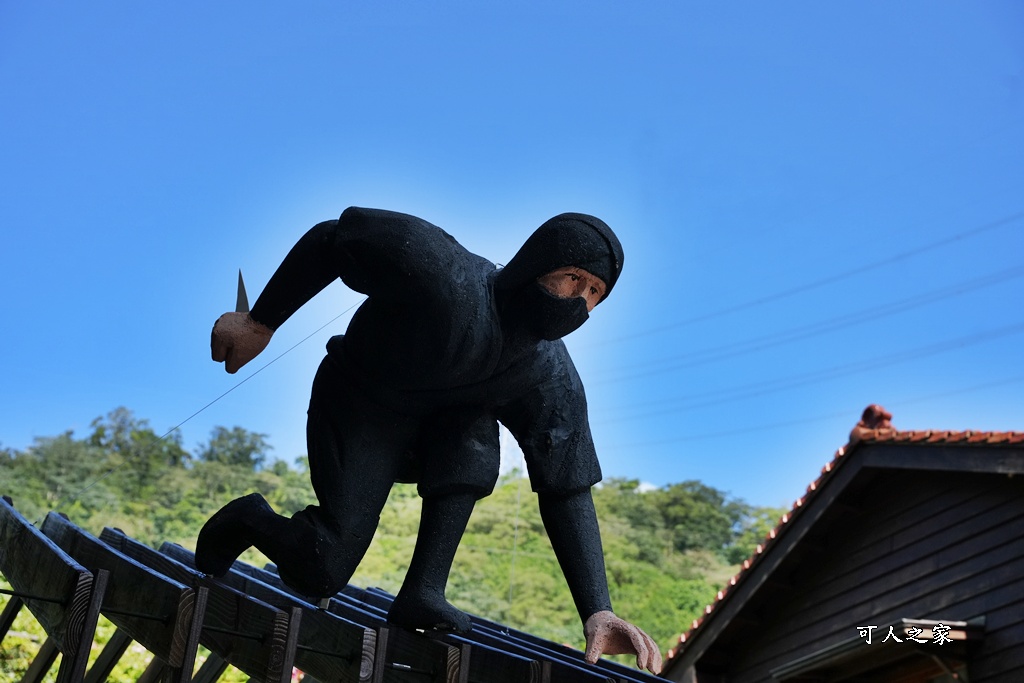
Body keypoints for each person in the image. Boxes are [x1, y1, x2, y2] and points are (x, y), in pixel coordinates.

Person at [196, 207, 662, 673]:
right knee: (320, 569)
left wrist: (597, 610)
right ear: (534, 265)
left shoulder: (548, 373)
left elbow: (566, 486)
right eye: (571, 277)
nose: (578, 301)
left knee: (474, 430)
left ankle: (424, 589)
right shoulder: (444, 274)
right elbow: (332, 240)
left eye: (594, 292)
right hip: (361, 405)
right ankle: (248, 518)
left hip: (433, 435)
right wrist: (260, 322)